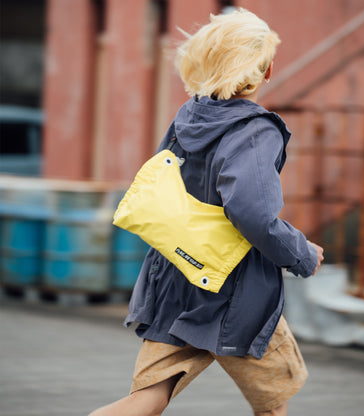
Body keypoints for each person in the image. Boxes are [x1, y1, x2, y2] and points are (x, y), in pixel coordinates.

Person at [89, 8, 324, 416]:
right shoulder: (255, 130)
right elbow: (252, 213)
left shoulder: (188, 118)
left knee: (149, 397)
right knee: (273, 402)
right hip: (238, 288)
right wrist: (301, 253)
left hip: (178, 275)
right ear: (266, 71)